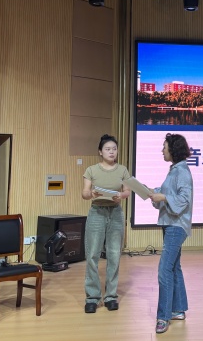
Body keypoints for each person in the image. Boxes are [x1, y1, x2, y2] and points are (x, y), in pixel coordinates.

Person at [148, 133, 194, 334]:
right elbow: (170, 195)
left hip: (176, 226)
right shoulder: (175, 170)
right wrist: (155, 194)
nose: (162, 150)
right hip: (171, 224)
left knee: (164, 269)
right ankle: (178, 309)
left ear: (173, 150)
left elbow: (183, 200)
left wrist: (164, 197)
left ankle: (163, 316)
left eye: (164, 147)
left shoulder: (182, 172)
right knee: (174, 267)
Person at [81, 134, 131, 314]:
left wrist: (121, 196)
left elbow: (127, 191)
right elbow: (84, 193)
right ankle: (92, 297)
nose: (112, 152)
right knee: (92, 254)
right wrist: (92, 194)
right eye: (108, 149)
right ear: (100, 152)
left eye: (114, 149)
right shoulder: (91, 170)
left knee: (114, 254)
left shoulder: (122, 170)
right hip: (97, 212)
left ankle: (111, 296)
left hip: (115, 213)